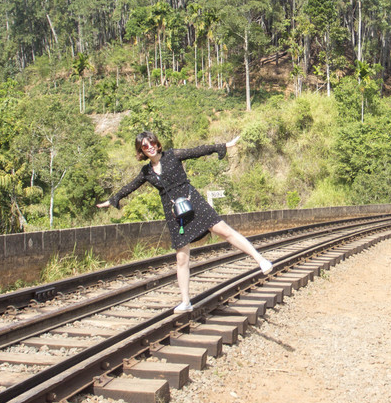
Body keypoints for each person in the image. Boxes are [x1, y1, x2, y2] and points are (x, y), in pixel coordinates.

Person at [97, 131, 272, 313]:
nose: (149, 147)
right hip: (174, 212)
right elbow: (130, 186)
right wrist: (113, 199)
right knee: (181, 257)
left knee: (224, 230)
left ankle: (260, 260)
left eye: (151, 143)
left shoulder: (173, 155)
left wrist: (224, 146)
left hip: (192, 200)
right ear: (141, 150)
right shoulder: (146, 171)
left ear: (157, 144)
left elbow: (198, 151)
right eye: (144, 146)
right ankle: (186, 301)